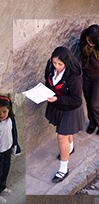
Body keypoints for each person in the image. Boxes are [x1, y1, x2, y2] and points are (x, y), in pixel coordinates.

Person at [43, 47, 85, 183]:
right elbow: (47, 80)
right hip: (57, 105)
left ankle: (63, 168)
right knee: (66, 133)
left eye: (60, 64)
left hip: (70, 108)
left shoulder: (74, 77)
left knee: (61, 136)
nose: (56, 66)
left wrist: (58, 99)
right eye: (54, 63)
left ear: (67, 63)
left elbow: (77, 100)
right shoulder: (50, 66)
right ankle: (70, 147)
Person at [79, 24, 99, 134]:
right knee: (88, 100)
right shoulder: (84, 41)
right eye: (88, 40)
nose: (90, 43)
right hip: (86, 75)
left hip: (98, 77)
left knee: (95, 103)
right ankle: (92, 123)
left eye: (92, 42)